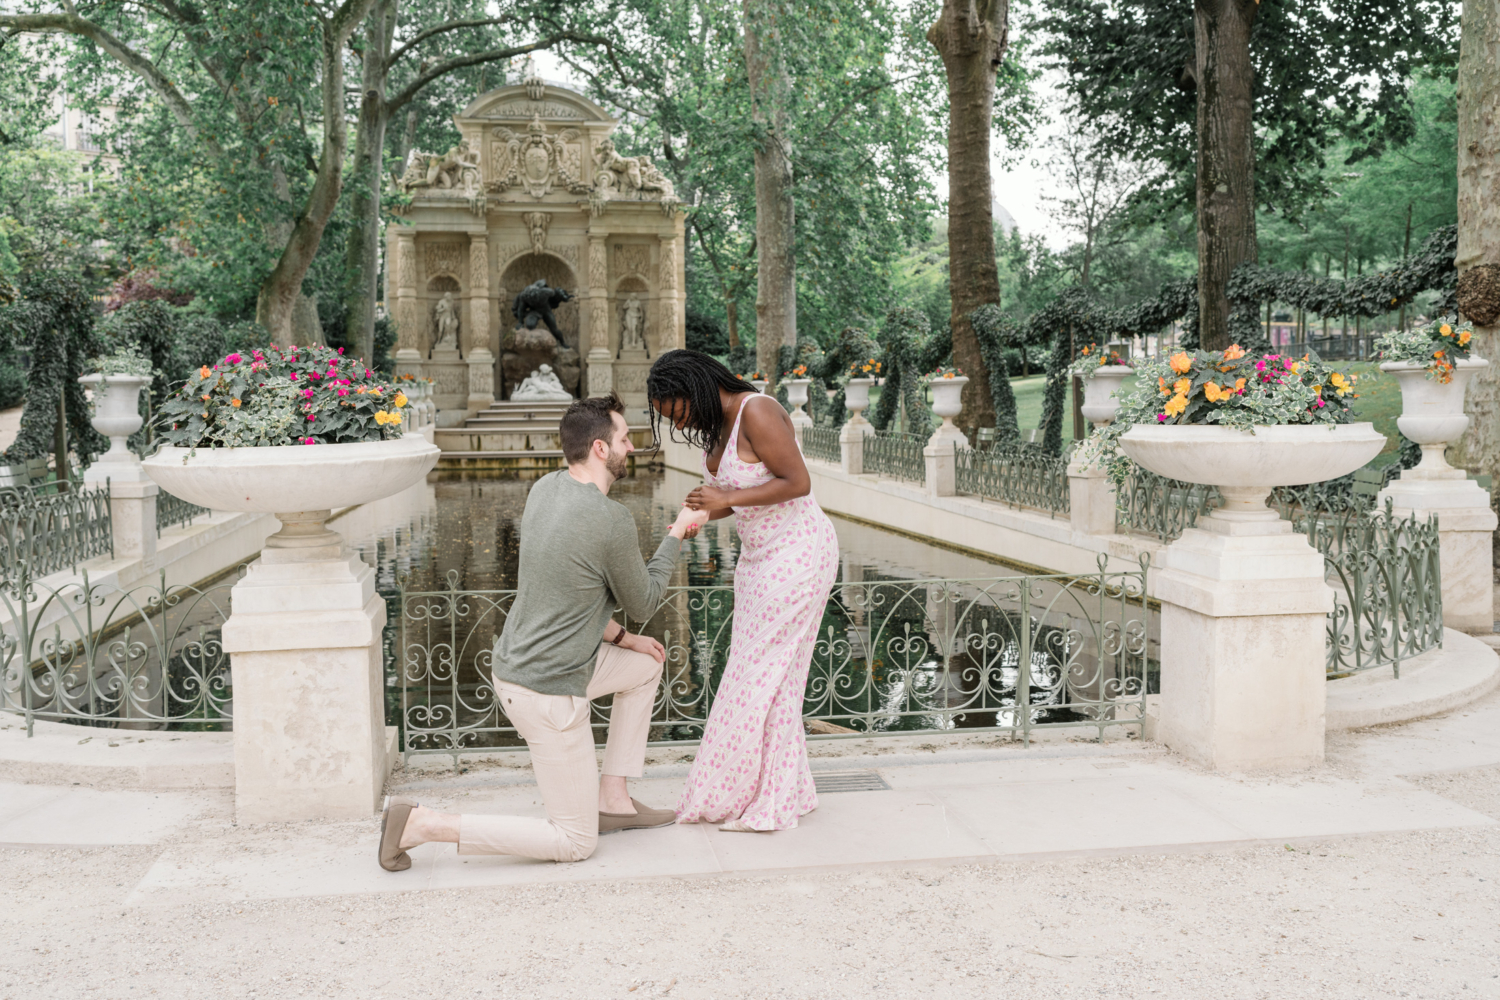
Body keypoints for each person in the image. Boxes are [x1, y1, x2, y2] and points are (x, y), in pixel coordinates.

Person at [380, 394, 708, 870]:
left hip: (519, 667)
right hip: (546, 690)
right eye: (624, 438)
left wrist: (626, 640)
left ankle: (613, 797)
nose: (632, 447)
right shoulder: (610, 519)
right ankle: (423, 824)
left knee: (643, 665)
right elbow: (644, 602)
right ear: (600, 448)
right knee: (575, 842)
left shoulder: (546, 488)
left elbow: (571, 597)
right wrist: (677, 532)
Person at [646, 350, 840, 832]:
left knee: (760, 679)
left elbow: (797, 482)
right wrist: (701, 514)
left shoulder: (758, 410)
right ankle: (783, 790)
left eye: (680, 412)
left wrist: (725, 497)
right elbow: (734, 502)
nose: (682, 424)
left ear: (697, 388)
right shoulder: (717, 426)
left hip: (798, 552)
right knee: (770, 680)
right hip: (756, 561)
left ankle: (766, 799)